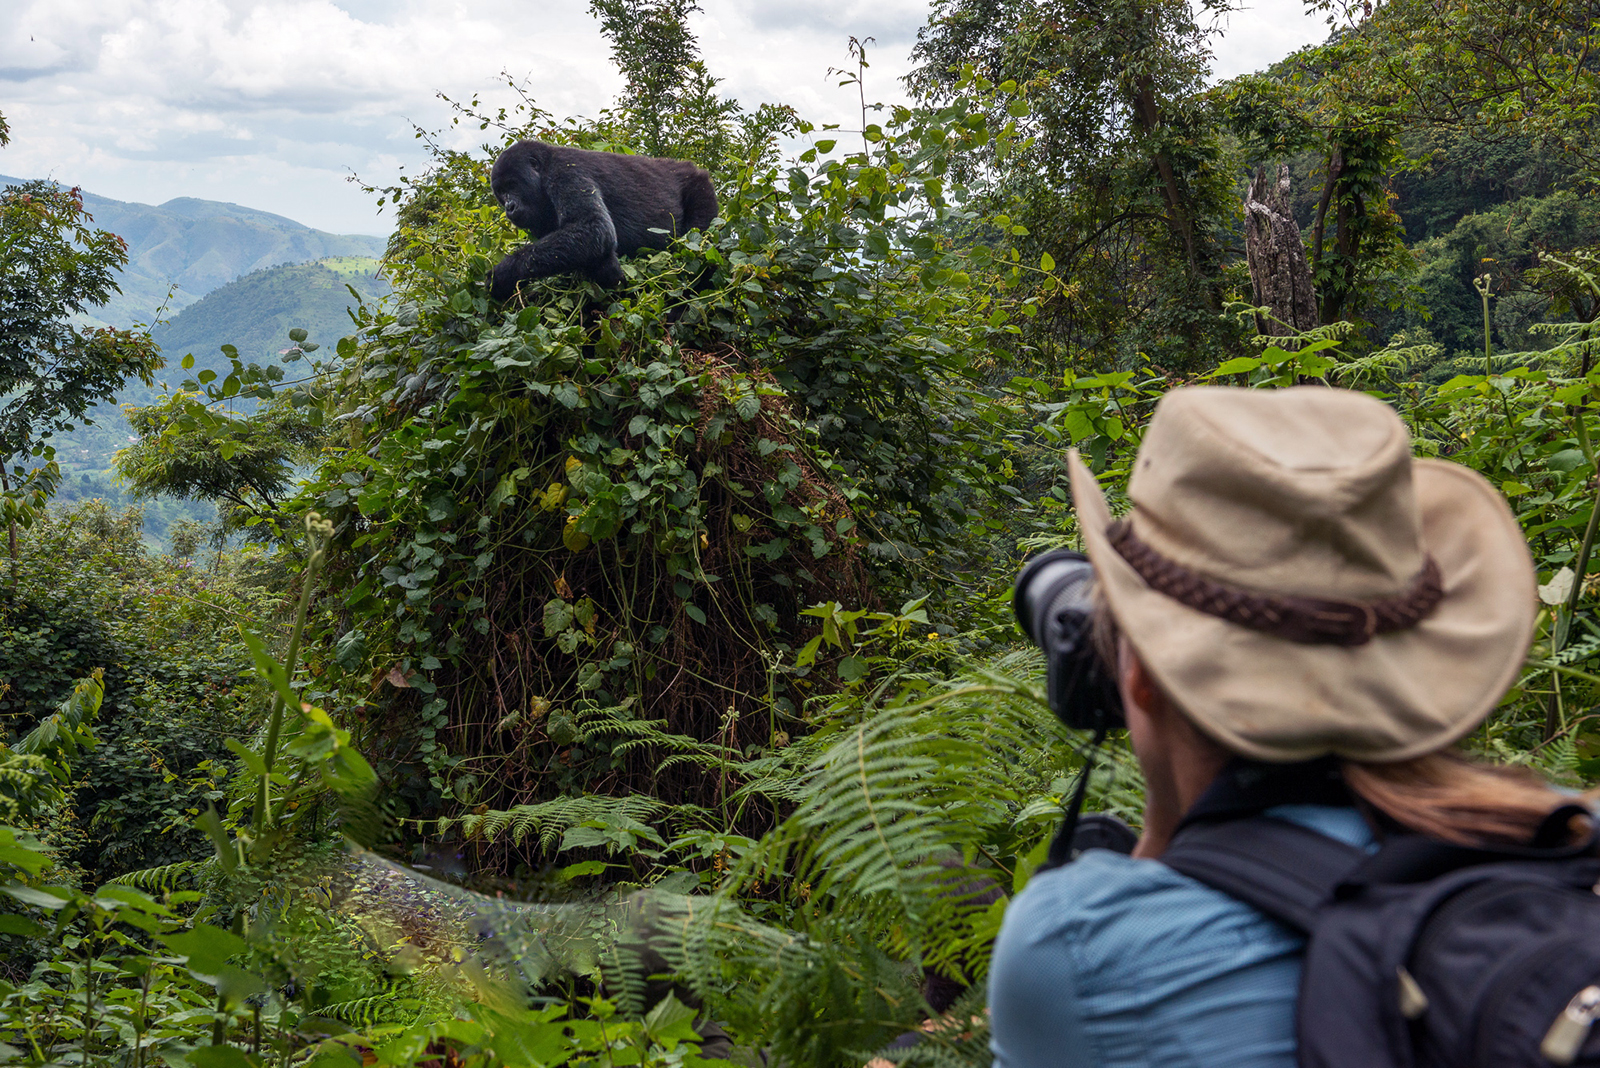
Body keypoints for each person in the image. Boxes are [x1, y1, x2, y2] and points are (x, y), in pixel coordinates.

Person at [988, 385, 1583, 1068]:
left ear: (1141, 679)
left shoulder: (1077, 945)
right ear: (1423, 661)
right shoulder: (1566, 838)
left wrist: (1163, 826)